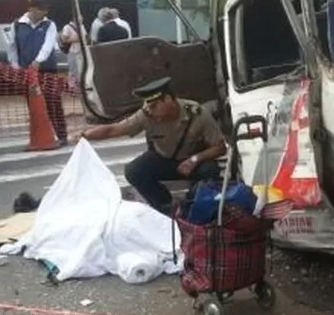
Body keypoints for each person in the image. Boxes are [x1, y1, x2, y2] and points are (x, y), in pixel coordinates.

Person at [73, 77, 226, 214]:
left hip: (193, 162)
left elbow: (220, 147)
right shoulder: (146, 115)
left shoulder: (197, 113)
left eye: (154, 106)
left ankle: (197, 206)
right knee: (134, 170)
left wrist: (195, 159)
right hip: (164, 160)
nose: (149, 111)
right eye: (147, 106)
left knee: (210, 170)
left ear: (167, 99)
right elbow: (115, 129)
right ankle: (166, 207)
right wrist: (86, 134)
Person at [7, 0, 68, 145]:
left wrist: (38, 61)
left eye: (46, 9)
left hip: (47, 70)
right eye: (42, 9)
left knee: (53, 102)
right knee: (34, 104)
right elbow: (12, 47)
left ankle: (61, 136)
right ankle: (40, 136)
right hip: (26, 72)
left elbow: (48, 45)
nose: (45, 12)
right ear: (32, 9)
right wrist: (15, 66)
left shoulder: (49, 24)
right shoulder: (17, 24)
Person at [59, 17, 86, 92]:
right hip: (73, 50)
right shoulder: (67, 27)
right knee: (73, 69)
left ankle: (80, 85)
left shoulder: (82, 26)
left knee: (81, 69)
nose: (82, 19)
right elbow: (64, 39)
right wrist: (77, 39)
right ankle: (72, 86)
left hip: (82, 51)